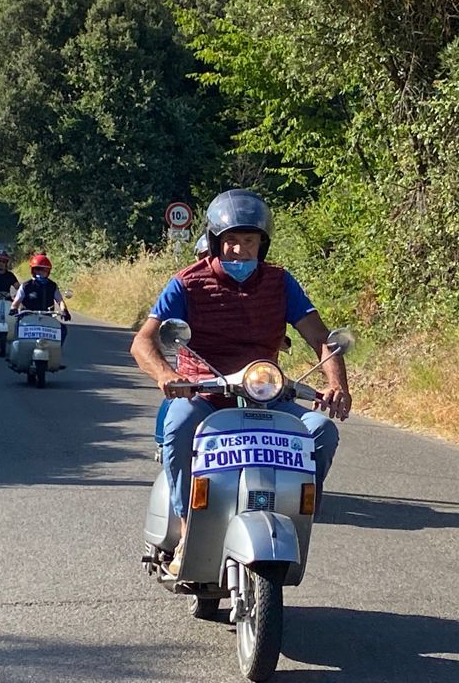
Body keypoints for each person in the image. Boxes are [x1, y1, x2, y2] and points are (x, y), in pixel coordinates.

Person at [130, 188, 351, 576]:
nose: (239, 250)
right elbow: (143, 341)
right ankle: (186, 529)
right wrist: (167, 375)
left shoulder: (281, 283)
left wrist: (337, 384)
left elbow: (320, 337)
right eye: (230, 240)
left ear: (262, 245)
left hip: (264, 394)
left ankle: (291, 516)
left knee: (321, 431)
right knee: (179, 425)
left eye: (249, 241)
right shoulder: (187, 283)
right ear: (215, 241)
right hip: (204, 394)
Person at [9, 253, 71, 343]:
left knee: (63, 330)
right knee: (17, 329)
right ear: (33, 270)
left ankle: (55, 349)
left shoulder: (52, 286)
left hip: (47, 317)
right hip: (28, 317)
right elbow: (17, 301)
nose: (41, 272)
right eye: (38, 269)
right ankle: (17, 350)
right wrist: (13, 309)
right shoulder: (26, 286)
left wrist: (64, 310)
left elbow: (60, 300)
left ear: (48, 271)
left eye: (44, 270)